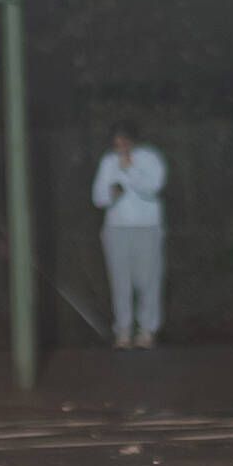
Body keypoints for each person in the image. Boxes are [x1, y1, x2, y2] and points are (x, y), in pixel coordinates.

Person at [91, 125, 167, 350]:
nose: (120, 146)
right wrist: (111, 194)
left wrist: (130, 170)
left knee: (148, 280)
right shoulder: (108, 161)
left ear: (133, 140)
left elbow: (153, 187)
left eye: (124, 141)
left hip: (147, 227)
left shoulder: (150, 158)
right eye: (117, 142)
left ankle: (147, 331)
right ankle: (123, 331)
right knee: (120, 281)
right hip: (116, 229)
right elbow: (98, 197)